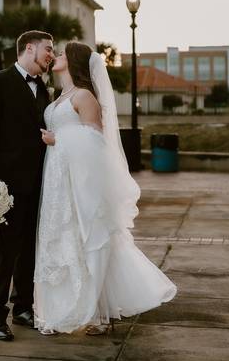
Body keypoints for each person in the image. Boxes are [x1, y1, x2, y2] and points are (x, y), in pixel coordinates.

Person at [34, 41, 176, 335]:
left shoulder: (85, 96)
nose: (56, 57)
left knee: (86, 239)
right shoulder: (61, 95)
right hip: (60, 178)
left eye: (61, 54)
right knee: (63, 238)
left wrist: (58, 139)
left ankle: (94, 310)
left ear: (73, 61)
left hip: (80, 182)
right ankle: (64, 305)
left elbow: (95, 142)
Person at [0, 30, 54, 341]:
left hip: (39, 182)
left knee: (30, 246)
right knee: (7, 249)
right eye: (48, 49)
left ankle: (23, 307)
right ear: (29, 48)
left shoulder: (43, 88)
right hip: (6, 184)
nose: (51, 55)